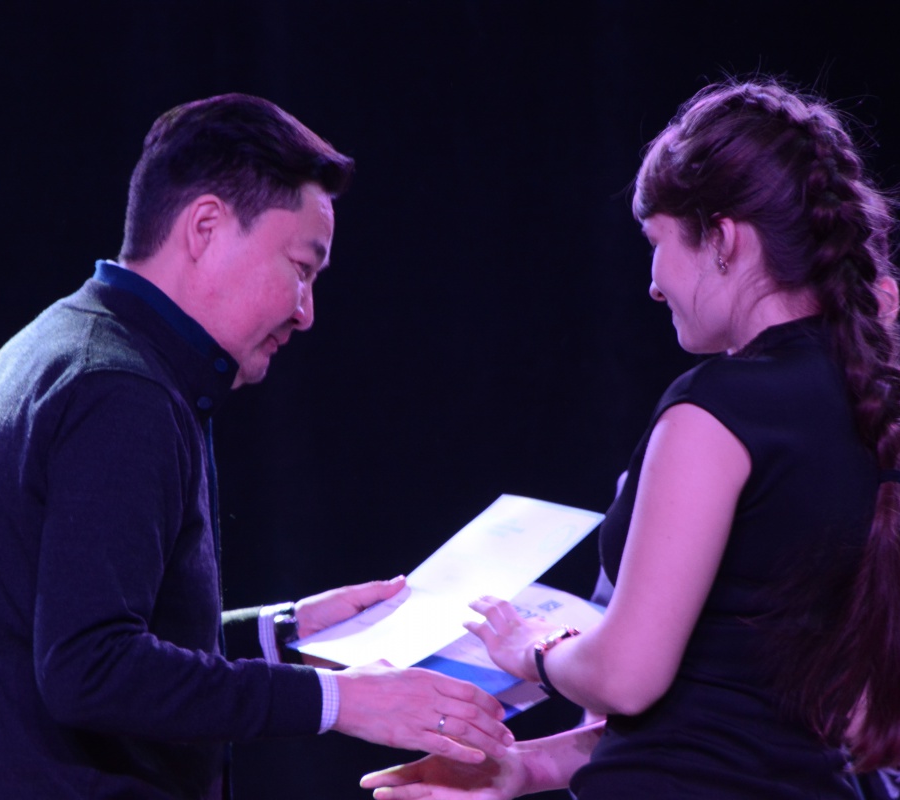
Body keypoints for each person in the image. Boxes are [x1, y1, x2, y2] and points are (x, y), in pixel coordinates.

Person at [0, 93, 514, 800]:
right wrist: (341, 700)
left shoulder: (63, 345)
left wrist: (283, 633)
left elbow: (78, 634)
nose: (306, 312)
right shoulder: (120, 390)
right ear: (205, 227)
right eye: (301, 267)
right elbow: (90, 669)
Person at [361, 78, 900, 798]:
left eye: (656, 242)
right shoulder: (869, 408)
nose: (651, 282)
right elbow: (727, 706)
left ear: (722, 239)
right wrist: (523, 768)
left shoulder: (719, 407)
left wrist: (535, 649)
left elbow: (627, 677)